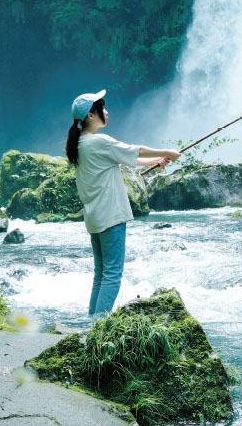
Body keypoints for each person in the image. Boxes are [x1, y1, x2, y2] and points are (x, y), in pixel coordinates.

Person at [65, 90, 179, 318]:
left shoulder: (80, 145)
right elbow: (134, 149)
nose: (106, 112)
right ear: (90, 115)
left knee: (101, 274)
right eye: (102, 108)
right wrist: (167, 151)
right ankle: (98, 328)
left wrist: (156, 161)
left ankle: (92, 322)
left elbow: (126, 158)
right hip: (111, 217)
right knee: (112, 275)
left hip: (95, 219)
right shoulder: (100, 141)